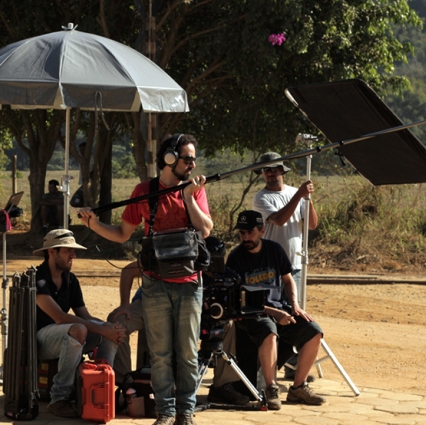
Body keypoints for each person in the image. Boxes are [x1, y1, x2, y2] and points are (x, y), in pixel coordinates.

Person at [79, 133, 213, 425]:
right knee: (161, 353)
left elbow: (205, 230)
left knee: (188, 353)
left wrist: (189, 197)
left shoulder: (194, 190)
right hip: (154, 283)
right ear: (169, 158)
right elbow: (122, 234)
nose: (192, 164)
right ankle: (165, 413)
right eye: (187, 158)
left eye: (193, 158)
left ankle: (185, 412)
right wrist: (93, 223)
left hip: (190, 283)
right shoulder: (144, 190)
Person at [223, 210, 326, 410]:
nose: (245, 238)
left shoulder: (275, 249)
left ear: (262, 231)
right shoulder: (235, 258)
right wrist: (275, 313)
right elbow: (239, 298)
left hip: (281, 308)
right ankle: (271, 388)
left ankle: (298, 387)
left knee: (314, 331)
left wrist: (294, 305)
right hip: (252, 313)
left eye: (250, 232)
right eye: (242, 233)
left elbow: (288, 280)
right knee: (269, 332)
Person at [33, 229, 126, 418]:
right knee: (80, 329)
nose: (73, 255)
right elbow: (59, 317)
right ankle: (59, 398)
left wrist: (110, 328)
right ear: (52, 252)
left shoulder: (70, 279)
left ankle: (102, 391)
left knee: (108, 332)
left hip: (67, 334)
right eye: (68, 250)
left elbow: (84, 314)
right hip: (40, 339)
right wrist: (100, 328)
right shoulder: (38, 279)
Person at [252, 151, 318, 380]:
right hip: (271, 268)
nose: (271, 174)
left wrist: (307, 199)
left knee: (294, 314)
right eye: (266, 170)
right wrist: (299, 195)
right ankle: (269, 367)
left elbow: (311, 225)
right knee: (275, 315)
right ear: (262, 174)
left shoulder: (294, 193)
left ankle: (293, 364)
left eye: (274, 169)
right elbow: (278, 220)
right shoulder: (261, 198)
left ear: (282, 170)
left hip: (296, 264)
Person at [106, 261, 147, 384]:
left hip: (183, 300)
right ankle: (124, 382)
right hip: (149, 299)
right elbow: (128, 270)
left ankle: (185, 394)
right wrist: (124, 305)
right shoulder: (159, 250)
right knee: (117, 323)